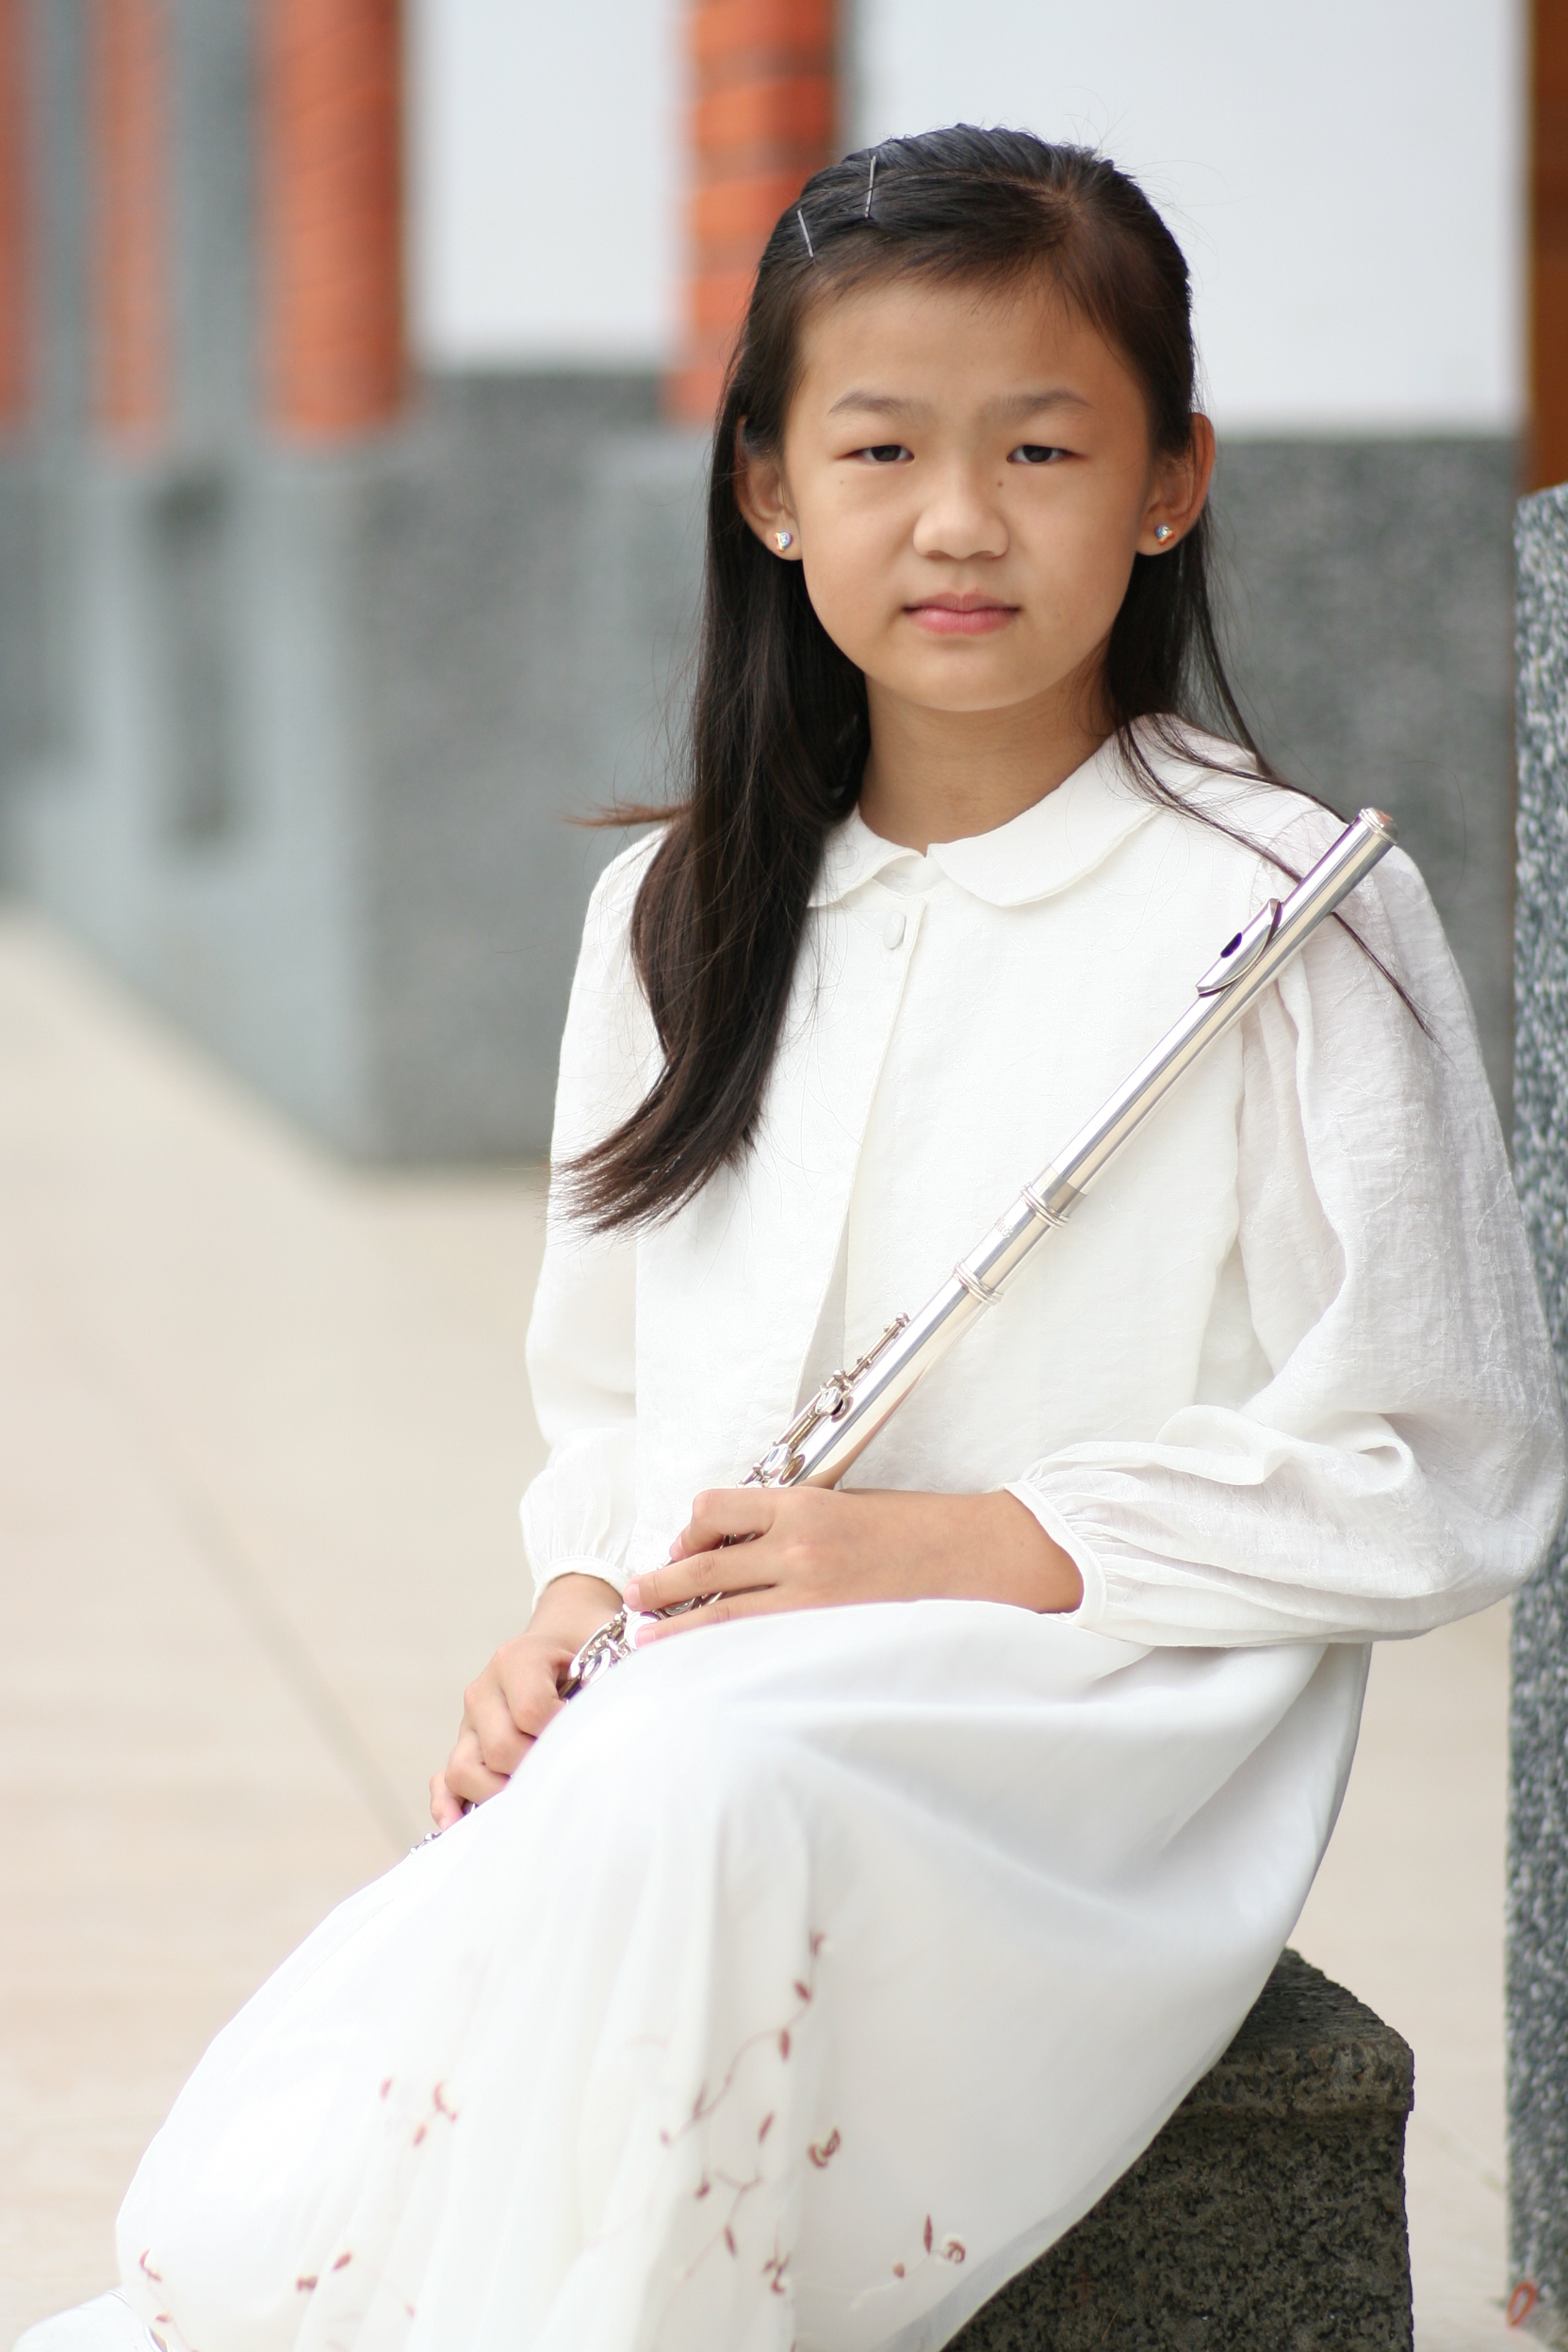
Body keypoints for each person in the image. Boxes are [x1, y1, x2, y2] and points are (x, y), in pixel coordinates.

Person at [23, 127, 1565, 2352]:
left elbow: (1454, 1462)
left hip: (1100, 1718)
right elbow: (615, 1391)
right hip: (736, 1688)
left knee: (695, 1794)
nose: (958, 519)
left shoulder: (1288, 911)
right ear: (765, 487)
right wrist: (578, 1598)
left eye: (1041, 446)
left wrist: (963, 1545)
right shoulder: (672, 916)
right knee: (543, 1899)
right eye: (879, 447)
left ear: (1170, 483)